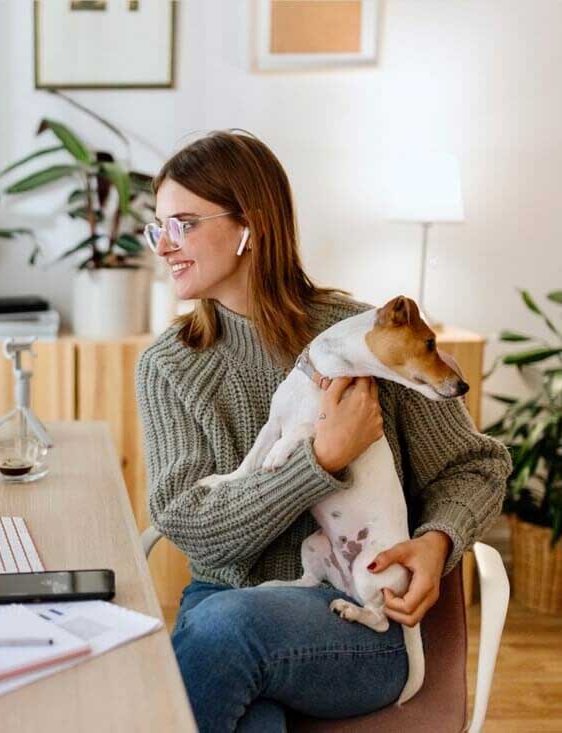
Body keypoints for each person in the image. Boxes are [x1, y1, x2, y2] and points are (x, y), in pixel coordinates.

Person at [135, 130, 511, 732]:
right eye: (158, 228)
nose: (164, 247)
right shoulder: (169, 364)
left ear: (249, 225)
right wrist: (321, 459)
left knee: (226, 633)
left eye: (182, 224)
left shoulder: (364, 339)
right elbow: (196, 532)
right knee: (242, 686)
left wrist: (439, 539)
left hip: (355, 618)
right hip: (228, 610)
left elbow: (478, 466)